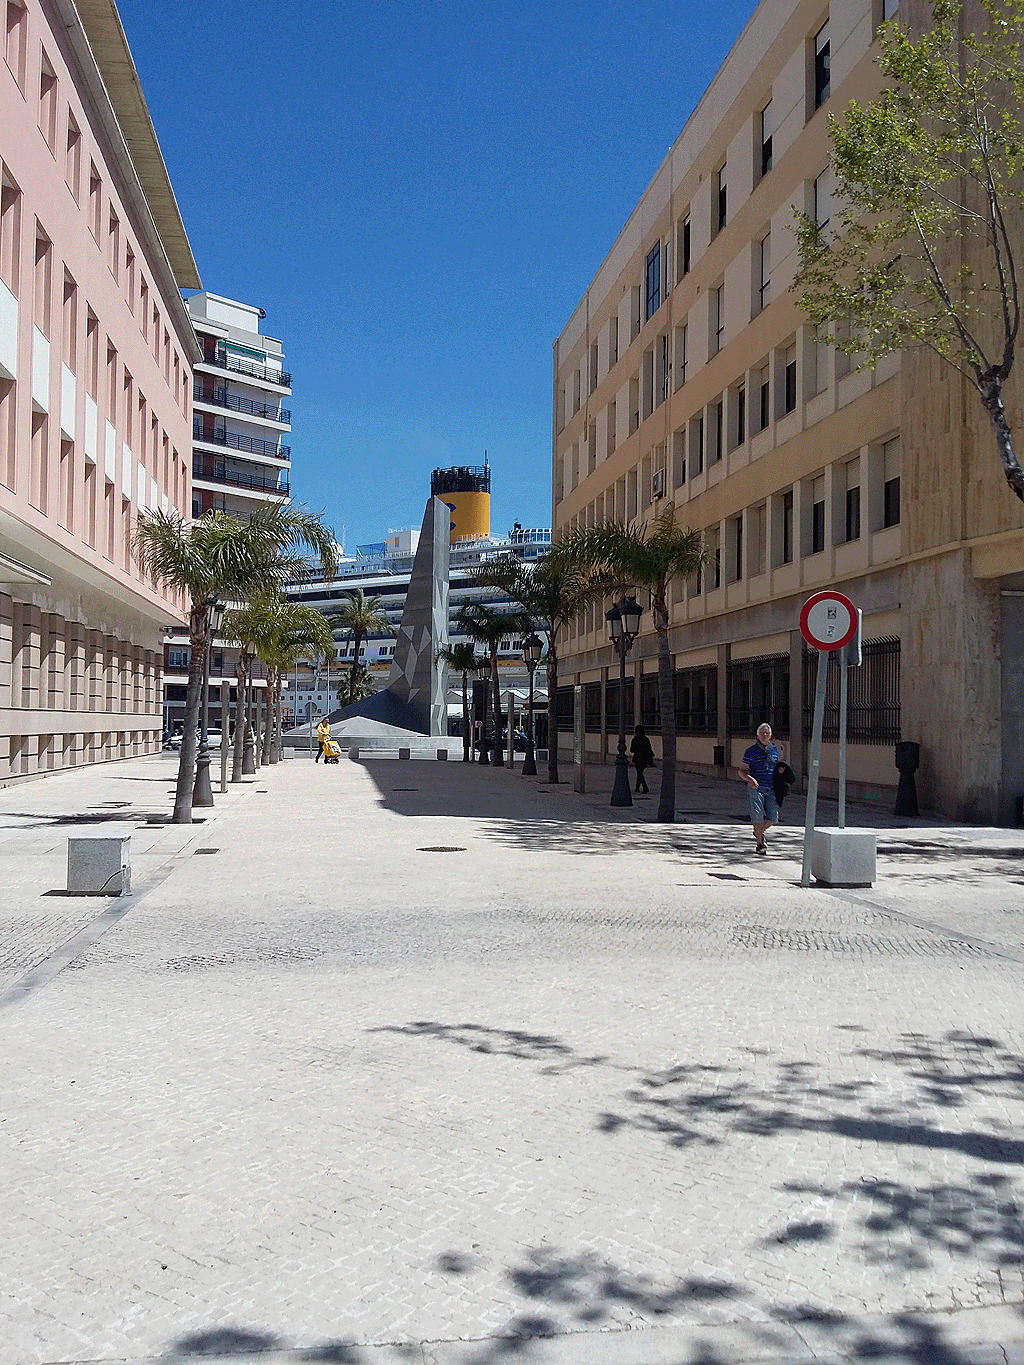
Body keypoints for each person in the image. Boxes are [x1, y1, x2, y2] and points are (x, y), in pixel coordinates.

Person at [740, 722, 780, 854]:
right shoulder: (750, 751)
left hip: (772, 788)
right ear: (757, 735)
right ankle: (760, 844)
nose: (765, 735)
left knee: (772, 818)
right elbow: (742, 771)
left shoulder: (774, 749)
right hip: (756, 788)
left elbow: (776, 767)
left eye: (767, 733)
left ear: (770, 736)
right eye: (762, 733)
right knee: (757, 817)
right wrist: (750, 779)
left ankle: (758, 832)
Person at [629, 724, 655, 794]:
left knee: (639, 773)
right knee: (640, 772)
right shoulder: (646, 739)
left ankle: (644, 787)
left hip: (638, 758)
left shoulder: (635, 739)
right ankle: (637, 787)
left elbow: (631, 750)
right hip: (645, 758)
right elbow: (649, 748)